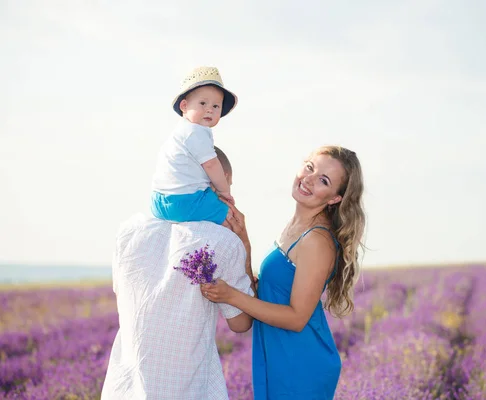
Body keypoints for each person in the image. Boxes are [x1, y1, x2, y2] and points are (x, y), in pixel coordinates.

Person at [202, 145, 366, 399]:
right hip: (279, 353)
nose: (309, 179)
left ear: (334, 198)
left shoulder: (316, 241)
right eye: (310, 167)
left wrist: (231, 296)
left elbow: (296, 318)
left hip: (300, 363)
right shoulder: (294, 226)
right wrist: (244, 243)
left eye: (323, 180)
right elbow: (267, 296)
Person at [101, 148, 255, 400]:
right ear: (221, 178)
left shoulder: (128, 232)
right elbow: (240, 323)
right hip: (188, 387)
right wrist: (244, 245)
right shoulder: (222, 241)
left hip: (126, 387)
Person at [150, 66, 237, 225]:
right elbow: (211, 165)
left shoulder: (179, 132)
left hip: (158, 201)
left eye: (216, 106)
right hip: (184, 201)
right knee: (228, 215)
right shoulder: (196, 131)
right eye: (203, 103)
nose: (209, 110)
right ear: (184, 106)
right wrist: (224, 191)